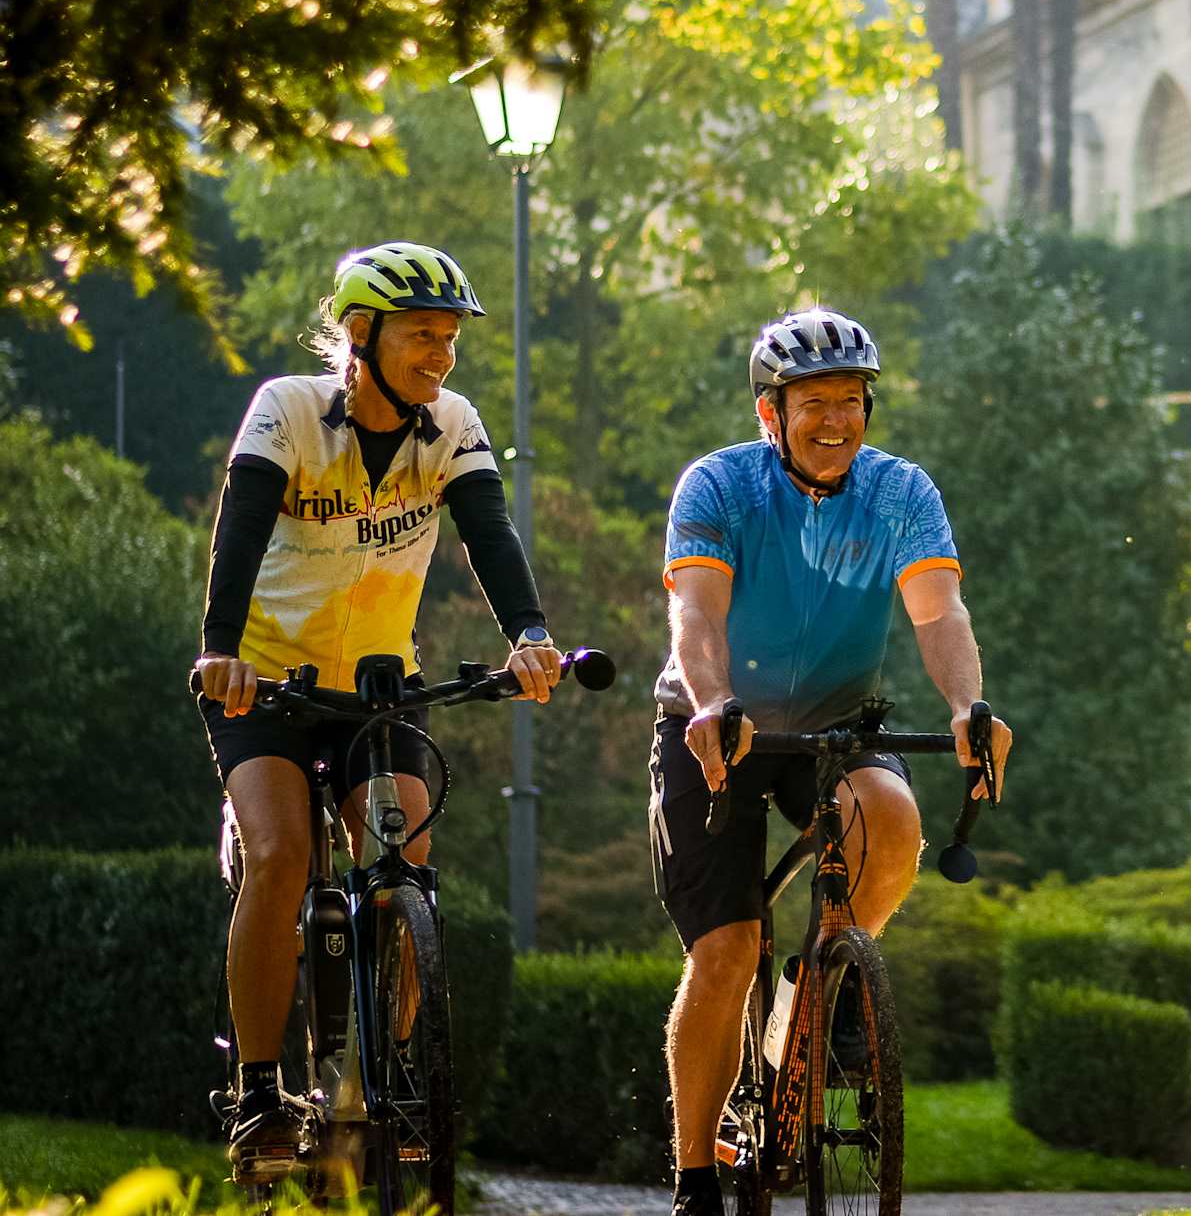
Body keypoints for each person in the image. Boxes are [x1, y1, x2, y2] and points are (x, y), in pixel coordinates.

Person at [192, 241, 565, 1178]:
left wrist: (529, 633)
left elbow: (489, 532)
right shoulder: (288, 411)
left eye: (449, 339)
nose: (440, 356)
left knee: (406, 858)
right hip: (268, 684)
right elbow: (238, 532)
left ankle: (386, 1077)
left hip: (378, 683)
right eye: (421, 337)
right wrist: (221, 651)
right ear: (361, 335)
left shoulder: (452, 425)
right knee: (279, 858)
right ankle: (258, 1093)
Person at [651, 306, 1010, 1216]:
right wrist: (712, 704)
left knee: (894, 822)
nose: (835, 419)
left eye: (851, 400)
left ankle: (815, 989)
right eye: (814, 401)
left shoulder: (900, 492)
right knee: (727, 951)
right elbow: (695, 614)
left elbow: (939, 614)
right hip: (717, 726)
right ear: (771, 412)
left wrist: (969, 706)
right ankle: (697, 1173)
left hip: (839, 724)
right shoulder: (719, 486)